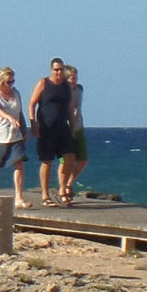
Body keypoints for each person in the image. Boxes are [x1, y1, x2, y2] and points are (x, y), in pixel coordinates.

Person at [28, 57, 76, 205]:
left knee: (68, 157)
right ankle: (45, 195)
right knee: (47, 161)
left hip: (62, 129)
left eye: (61, 69)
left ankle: (62, 189)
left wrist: (72, 127)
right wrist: (33, 124)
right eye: (56, 70)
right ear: (51, 70)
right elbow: (32, 104)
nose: (59, 72)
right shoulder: (44, 83)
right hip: (46, 129)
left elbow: (69, 108)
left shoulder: (66, 87)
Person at [0, 65, 30, 208]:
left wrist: (24, 130)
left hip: (15, 134)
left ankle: (19, 197)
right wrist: (9, 118)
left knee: (19, 163)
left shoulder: (16, 93)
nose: (11, 85)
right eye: (8, 82)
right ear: (1, 82)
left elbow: (20, 112)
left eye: (13, 81)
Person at [63, 64, 88, 201]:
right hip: (65, 130)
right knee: (65, 161)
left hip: (78, 128)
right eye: (71, 78)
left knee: (82, 160)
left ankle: (68, 184)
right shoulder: (62, 92)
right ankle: (62, 188)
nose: (74, 80)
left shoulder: (79, 89)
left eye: (75, 78)